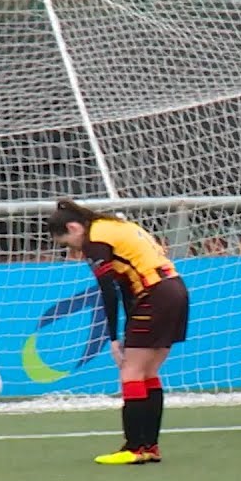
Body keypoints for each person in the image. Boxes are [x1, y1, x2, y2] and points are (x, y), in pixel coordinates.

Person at [47, 199, 190, 465]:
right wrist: (125, 330)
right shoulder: (114, 226)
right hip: (175, 290)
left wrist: (112, 337)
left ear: (74, 227)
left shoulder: (95, 239)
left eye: (67, 243)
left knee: (131, 371)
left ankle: (134, 447)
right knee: (148, 373)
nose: (74, 252)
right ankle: (149, 446)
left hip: (155, 295)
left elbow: (108, 290)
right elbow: (124, 285)